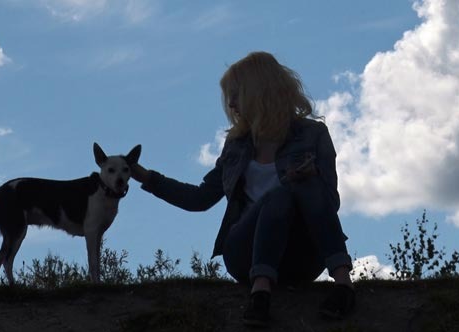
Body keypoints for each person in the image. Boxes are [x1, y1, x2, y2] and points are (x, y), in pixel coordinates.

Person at [130, 51, 355, 326]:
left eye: (236, 94)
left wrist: (314, 177)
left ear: (257, 91)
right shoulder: (237, 146)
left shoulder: (313, 134)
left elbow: (329, 203)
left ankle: (343, 285)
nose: (233, 104)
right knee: (279, 196)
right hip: (245, 254)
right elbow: (200, 198)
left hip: (301, 255)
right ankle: (259, 294)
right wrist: (146, 177)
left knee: (299, 188)